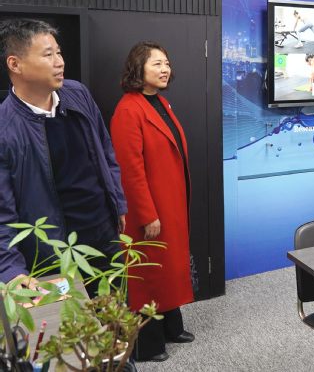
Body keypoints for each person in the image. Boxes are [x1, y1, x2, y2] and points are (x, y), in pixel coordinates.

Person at [0, 19, 127, 293]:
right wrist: (10, 269)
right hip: (54, 251)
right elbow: (2, 211)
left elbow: (105, 151)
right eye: (48, 55)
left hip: (104, 234)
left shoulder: (77, 93)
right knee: (71, 319)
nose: (60, 62)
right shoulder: (5, 128)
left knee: (117, 314)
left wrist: (117, 202)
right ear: (15, 64)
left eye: (59, 52)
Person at [110, 41, 195, 362]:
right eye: (156, 63)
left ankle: (172, 327)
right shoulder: (128, 110)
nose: (165, 69)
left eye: (167, 63)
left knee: (167, 269)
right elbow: (129, 172)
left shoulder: (160, 102)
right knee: (148, 276)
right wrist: (147, 214)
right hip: (148, 210)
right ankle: (148, 345)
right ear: (138, 68)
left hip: (169, 203)